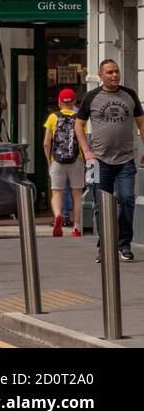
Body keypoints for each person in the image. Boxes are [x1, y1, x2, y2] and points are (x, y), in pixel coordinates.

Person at [76, 59, 144, 262]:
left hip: (125, 160)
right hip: (99, 161)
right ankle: (104, 246)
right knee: (100, 205)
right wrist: (86, 151)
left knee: (126, 200)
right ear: (101, 75)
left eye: (117, 72)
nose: (114, 75)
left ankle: (124, 245)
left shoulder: (129, 95)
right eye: (110, 72)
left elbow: (141, 122)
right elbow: (79, 126)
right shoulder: (92, 97)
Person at [43, 88, 85, 239]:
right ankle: (77, 227)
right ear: (74, 102)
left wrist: (49, 161)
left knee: (57, 192)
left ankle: (58, 215)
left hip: (57, 160)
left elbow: (47, 143)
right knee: (77, 194)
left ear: (60, 102)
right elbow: (82, 139)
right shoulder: (79, 117)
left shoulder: (53, 117)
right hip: (76, 159)